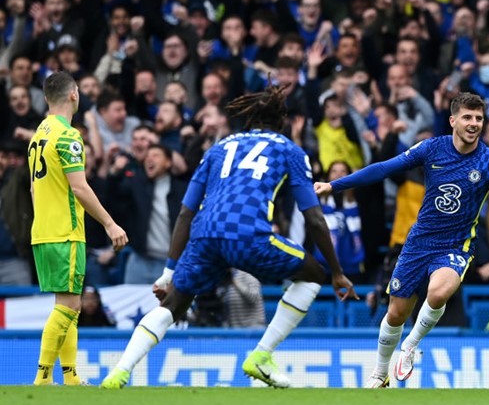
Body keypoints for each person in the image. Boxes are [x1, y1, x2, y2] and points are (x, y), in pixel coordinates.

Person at [313, 92, 489, 388]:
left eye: (479, 118)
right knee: (395, 313)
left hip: (456, 246)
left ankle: (411, 345)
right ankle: (379, 373)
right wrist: (333, 185)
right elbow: (382, 169)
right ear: (453, 120)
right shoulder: (431, 149)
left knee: (439, 292)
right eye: (468, 117)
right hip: (419, 243)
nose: (474, 123)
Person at [100, 85, 357, 389]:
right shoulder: (290, 149)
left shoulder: (219, 148)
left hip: (206, 235)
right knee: (314, 274)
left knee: (174, 304)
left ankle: (120, 371)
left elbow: (185, 213)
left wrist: (168, 273)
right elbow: (313, 217)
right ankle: (262, 356)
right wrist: (337, 272)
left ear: (248, 118)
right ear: (281, 119)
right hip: (249, 235)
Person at [29, 71, 128, 385]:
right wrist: (110, 224)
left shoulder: (38, 134)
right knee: (70, 307)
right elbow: (80, 188)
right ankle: (43, 377)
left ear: (47, 98)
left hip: (43, 231)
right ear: (74, 94)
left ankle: (70, 376)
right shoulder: (68, 135)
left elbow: (33, 190)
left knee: (66, 303)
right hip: (65, 232)